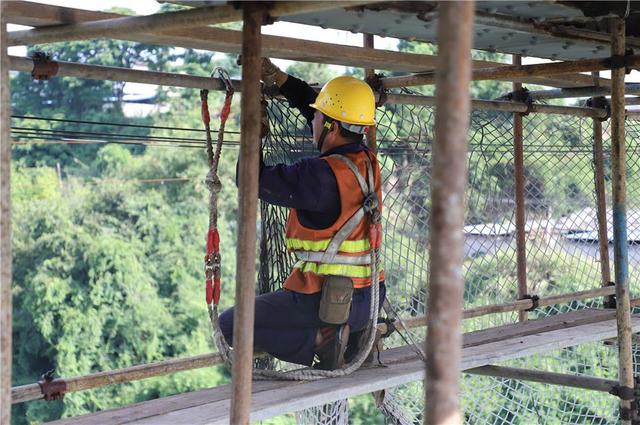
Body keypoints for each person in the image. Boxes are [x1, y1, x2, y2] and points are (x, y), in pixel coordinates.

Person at [219, 59, 386, 370]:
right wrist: (281, 79)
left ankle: (320, 341)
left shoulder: (318, 175)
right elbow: (320, 114)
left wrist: (252, 130)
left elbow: (248, 180)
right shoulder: (367, 161)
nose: (313, 123)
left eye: (318, 119)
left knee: (228, 325)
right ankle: (352, 335)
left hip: (327, 302)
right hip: (368, 299)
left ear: (332, 127)